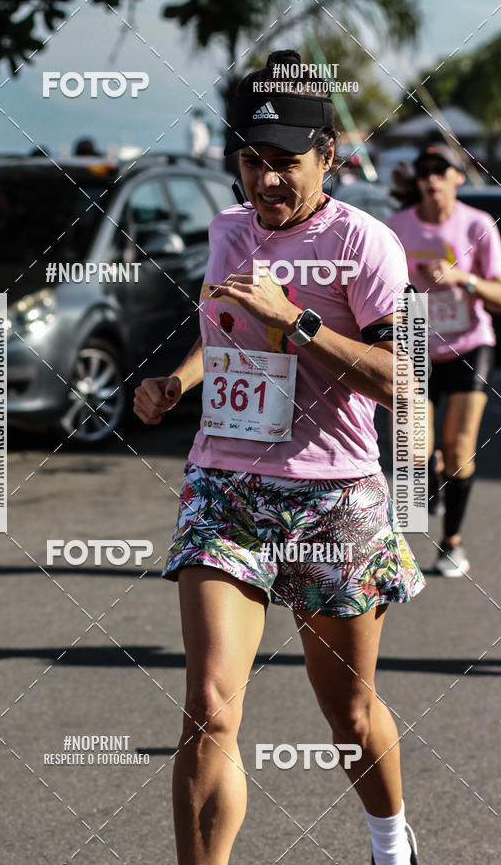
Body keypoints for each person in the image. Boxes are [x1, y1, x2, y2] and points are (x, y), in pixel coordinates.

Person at [134, 49, 424, 865]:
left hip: (334, 498)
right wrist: (176, 381)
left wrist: (295, 319)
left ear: (328, 156)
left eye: (285, 164)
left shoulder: (369, 245)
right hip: (226, 485)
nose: (265, 181)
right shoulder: (228, 232)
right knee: (209, 708)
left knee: (351, 714)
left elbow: (406, 382)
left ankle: (390, 842)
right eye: (252, 162)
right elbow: (223, 334)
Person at [387, 144, 501, 577]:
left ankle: (451, 543)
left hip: (470, 343)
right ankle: (429, 481)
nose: (431, 177)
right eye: (423, 170)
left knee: (458, 449)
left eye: (441, 169)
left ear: (459, 176)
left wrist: (463, 278)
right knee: (414, 451)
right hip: (415, 340)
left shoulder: (478, 224)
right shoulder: (395, 227)